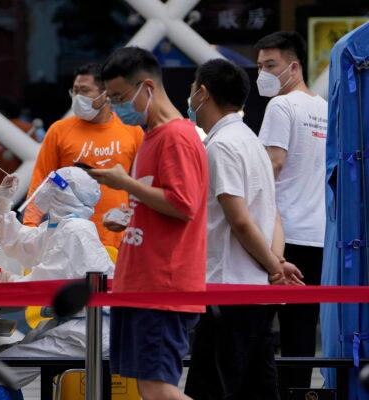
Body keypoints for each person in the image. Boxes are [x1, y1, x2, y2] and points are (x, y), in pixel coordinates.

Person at [87, 47, 208, 400]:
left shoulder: (176, 137)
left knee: (157, 387)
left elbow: (183, 204)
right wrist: (128, 215)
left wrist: (124, 183)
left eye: (120, 97)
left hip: (163, 285)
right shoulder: (153, 137)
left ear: (148, 87)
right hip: (144, 283)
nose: (117, 106)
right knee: (148, 386)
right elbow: (161, 202)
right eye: (111, 98)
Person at [182, 59, 304, 400]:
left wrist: (273, 267)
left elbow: (239, 219)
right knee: (258, 388)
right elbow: (272, 213)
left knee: (212, 388)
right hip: (256, 291)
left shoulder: (221, 146)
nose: (190, 97)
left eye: (193, 88)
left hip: (228, 289)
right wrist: (275, 263)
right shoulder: (251, 140)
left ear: (203, 93)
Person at [0, 166, 114, 388]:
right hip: (73, 325)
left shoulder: (75, 231)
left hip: (87, 332)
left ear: (65, 194)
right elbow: (19, 243)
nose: (44, 188)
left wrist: (8, 280)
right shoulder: (61, 226)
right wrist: (3, 206)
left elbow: (42, 287)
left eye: (51, 184)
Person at [256, 31, 328, 395]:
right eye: (259, 67)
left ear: (294, 66)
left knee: (252, 331)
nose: (263, 74)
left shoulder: (280, 106)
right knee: (301, 337)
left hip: (278, 237)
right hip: (318, 235)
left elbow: (273, 163)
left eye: (271, 65)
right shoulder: (325, 108)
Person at [23, 62, 143, 250]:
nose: (78, 97)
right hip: (68, 241)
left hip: (118, 241)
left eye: (85, 91)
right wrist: (29, 229)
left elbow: (142, 186)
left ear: (106, 94)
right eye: (75, 91)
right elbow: (41, 182)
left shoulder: (133, 132)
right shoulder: (59, 131)